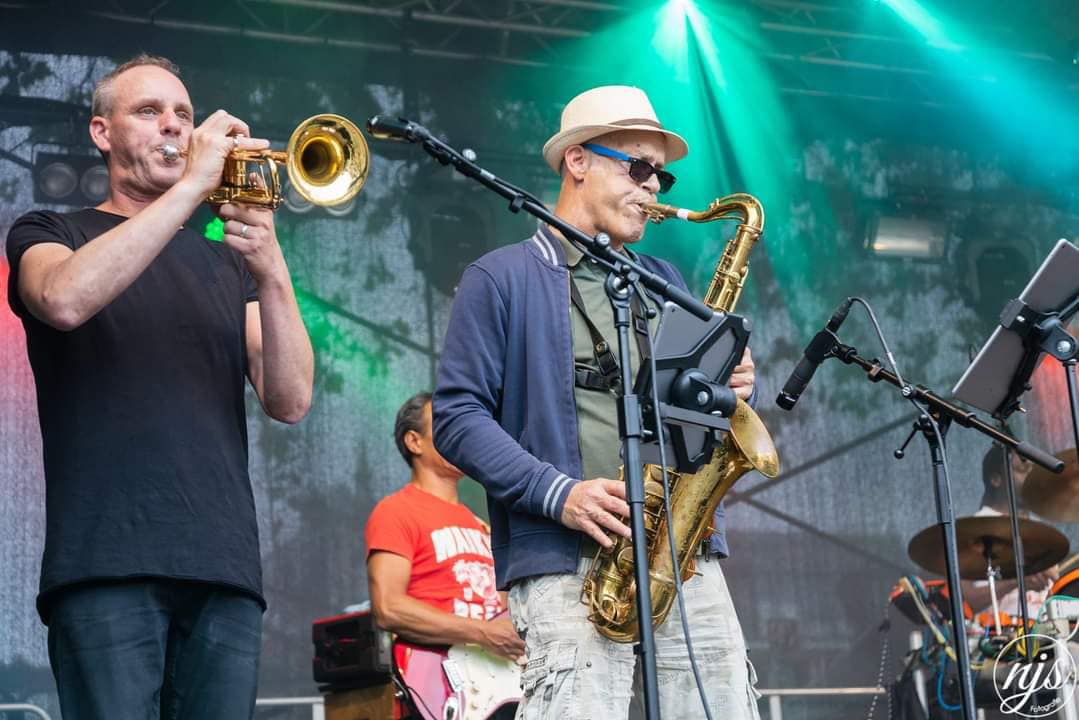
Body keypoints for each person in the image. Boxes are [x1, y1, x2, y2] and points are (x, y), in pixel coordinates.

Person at [433, 85, 761, 719]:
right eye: (637, 167)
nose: (656, 187)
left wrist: (724, 388)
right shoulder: (499, 277)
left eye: (660, 175)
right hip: (565, 557)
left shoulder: (664, 281)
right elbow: (457, 417)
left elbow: (692, 420)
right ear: (578, 161)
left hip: (678, 553)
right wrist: (561, 492)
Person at [5, 54, 313, 719]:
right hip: (106, 560)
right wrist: (192, 189)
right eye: (149, 112)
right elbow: (63, 299)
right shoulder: (49, 231)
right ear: (101, 132)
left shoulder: (223, 262)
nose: (173, 127)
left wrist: (270, 266)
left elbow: (289, 400)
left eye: (184, 115)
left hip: (223, 568)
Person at [365, 392, 526, 663]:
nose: (458, 438)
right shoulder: (395, 511)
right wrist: (482, 632)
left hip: (494, 677)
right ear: (414, 441)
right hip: (437, 676)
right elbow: (388, 607)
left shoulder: (480, 525)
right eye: (445, 428)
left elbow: (501, 607)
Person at [960, 444, 1057, 616]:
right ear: (996, 479)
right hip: (1002, 637)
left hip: (1046, 632)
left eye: (1032, 471)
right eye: (1022, 470)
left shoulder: (1042, 530)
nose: (1030, 477)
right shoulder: (977, 527)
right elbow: (968, 601)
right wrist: (1016, 582)